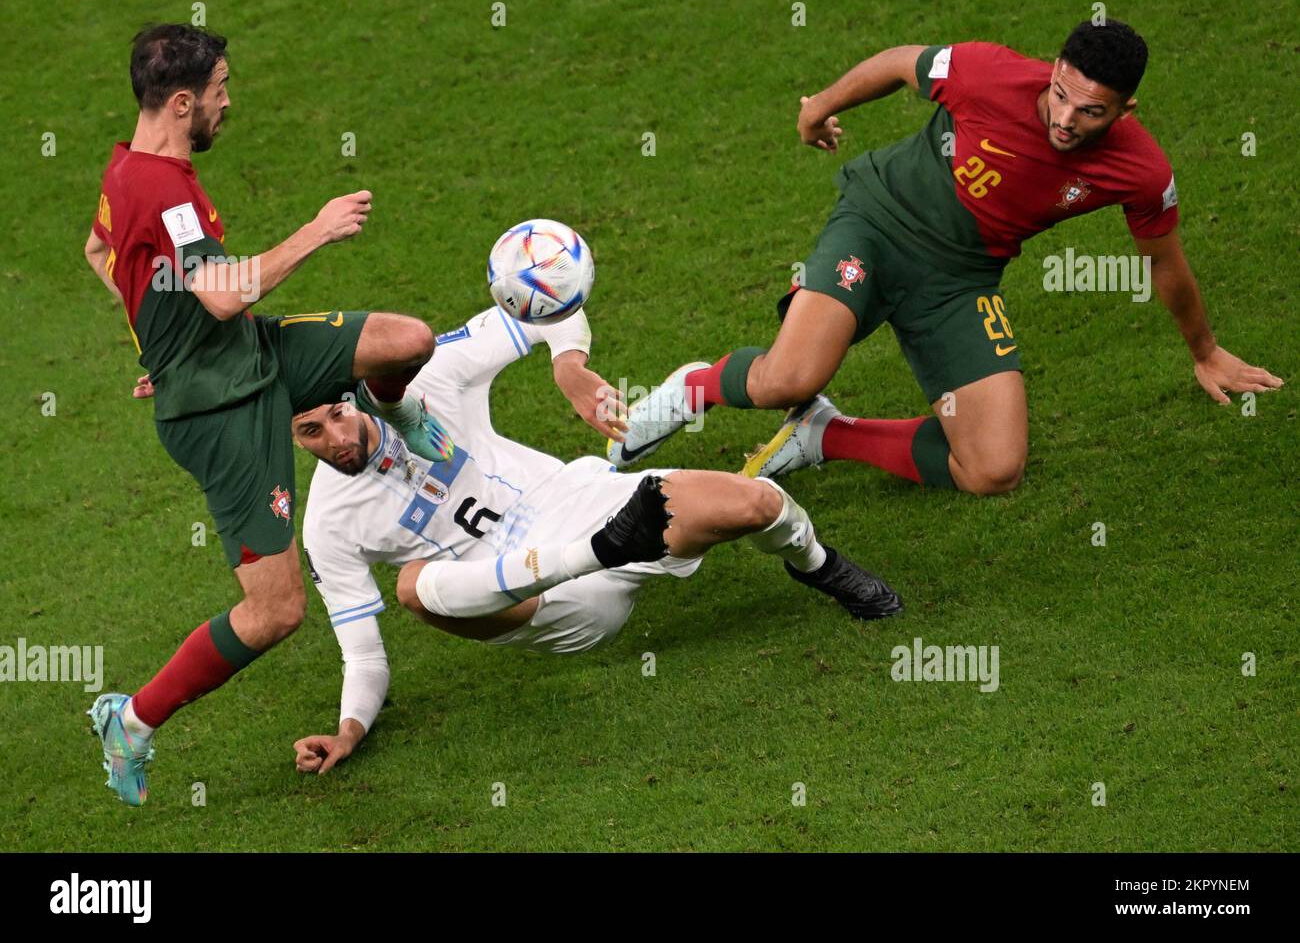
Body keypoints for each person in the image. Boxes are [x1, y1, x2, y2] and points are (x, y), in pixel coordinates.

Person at [607, 20, 1282, 494]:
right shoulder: (989, 73)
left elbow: (1165, 262)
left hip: (960, 280)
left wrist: (1205, 349)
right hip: (876, 223)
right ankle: (692, 386)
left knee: (993, 469)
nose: (1066, 120)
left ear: (1126, 108)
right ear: (1052, 70)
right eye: (1062, 95)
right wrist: (820, 107)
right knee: (789, 376)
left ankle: (824, 436)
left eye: (1092, 112)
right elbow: (903, 63)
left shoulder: (1139, 169)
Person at [82, 24, 452, 805]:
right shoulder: (167, 189)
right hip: (221, 409)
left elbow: (98, 250)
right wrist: (317, 230)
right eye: (219, 91)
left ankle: (402, 422)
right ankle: (133, 721)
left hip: (245, 354)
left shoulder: (126, 166)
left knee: (406, 341)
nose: (227, 103)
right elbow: (222, 292)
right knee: (277, 608)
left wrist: (159, 343)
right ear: (181, 102)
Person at [288, 306, 901, 775]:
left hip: (583, 501)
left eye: (337, 414)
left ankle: (819, 566)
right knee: (414, 588)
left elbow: (548, 301)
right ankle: (602, 551)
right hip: (550, 604)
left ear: (353, 393)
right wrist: (348, 732)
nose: (336, 438)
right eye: (311, 431)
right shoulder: (328, 524)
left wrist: (568, 365)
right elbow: (364, 655)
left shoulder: (429, 379)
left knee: (758, 503)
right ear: (294, 439)